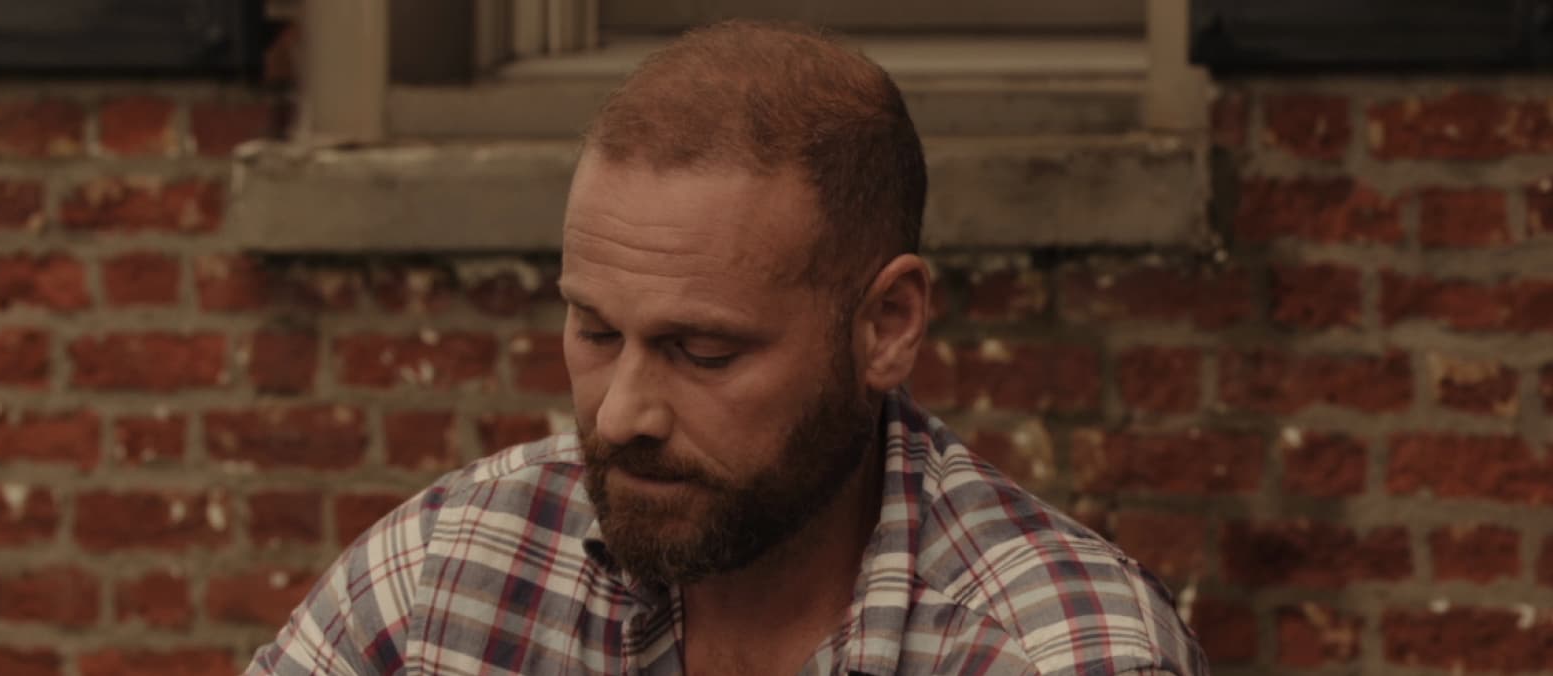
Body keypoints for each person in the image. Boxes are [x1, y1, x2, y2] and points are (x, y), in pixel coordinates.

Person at [249, 20, 1205, 676]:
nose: (622, 413)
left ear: (887, 326)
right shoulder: (444, 578)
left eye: (702, 352)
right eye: (595, 331)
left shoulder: (1053, 654)